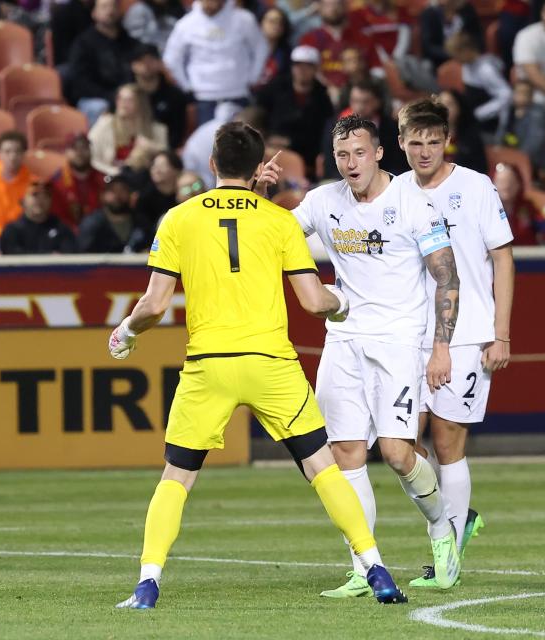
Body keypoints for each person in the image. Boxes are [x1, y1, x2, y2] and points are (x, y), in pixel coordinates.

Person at [108, 121, 406, 609]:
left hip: (209, 366)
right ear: (256, 167)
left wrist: (126, 332)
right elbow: (313, 301)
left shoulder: (179, 219)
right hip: (272, 364)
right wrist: (343, 304)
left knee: (177, 476)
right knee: (324, 469)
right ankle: (377, 570)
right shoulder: (279, 221)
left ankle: (147, 582)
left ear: (211, 164)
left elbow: (154, 304)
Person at [261, 114, 462, 597]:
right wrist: (261, 199)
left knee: (396, 453)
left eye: (359, 153)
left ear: (378, 154)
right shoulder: (322, 201)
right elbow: (270, 239)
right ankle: (363, 566)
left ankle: (442, 528)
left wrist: (440, 348)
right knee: (345, 454)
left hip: (398, 341)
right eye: (341, 155)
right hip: (344, 338)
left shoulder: (414, 202)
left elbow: (447, 277)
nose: (350, 164)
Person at [395, 97, 515, 587]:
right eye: (414, 142)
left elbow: (502, 259)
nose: (424, 152)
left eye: (432, 141)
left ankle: (449, 554)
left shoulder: (476, 186)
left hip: (465, 336)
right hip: (407, 334)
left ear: (447, 140)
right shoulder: (395, 190)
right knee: (400, 445)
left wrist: (500, 333)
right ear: (399, 143)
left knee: (447, 443)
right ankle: (454, 519)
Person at [162, 0, 269, 126]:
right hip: (204, 97)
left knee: (241, 142)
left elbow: (261, 48)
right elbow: (171, 58)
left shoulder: (243, 19)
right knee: (208, 143)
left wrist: (253, 77)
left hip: (238, 93)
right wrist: (186, 85)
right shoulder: (186, 24)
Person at [255, 45, 335, 179]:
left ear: (316, 69)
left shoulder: (322, 97)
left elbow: (320, 134)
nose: (302, 70)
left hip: (306, 156)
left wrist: (290, 142)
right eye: (297, 65)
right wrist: (265, 137)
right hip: (270, 147)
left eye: (308, 66)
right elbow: (258, 112)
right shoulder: (276, 87)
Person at [68, 0, 139, 126]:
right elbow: (81, 82)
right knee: (101, 107)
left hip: (126, 95)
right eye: (104, 7)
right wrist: (112, 97)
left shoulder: (130, 42)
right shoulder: (83, 43)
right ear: (94, 13)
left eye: (113, 6)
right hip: (94, 98)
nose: (110, 11)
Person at [298, 0, 381, 92]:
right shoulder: (309, 39)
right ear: (319, 8)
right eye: (328, 5)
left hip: (361, 93)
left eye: (337, 4)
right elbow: (304, 71)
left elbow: (376, 69)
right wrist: (327, 87)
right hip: (321, 94)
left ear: (345, 6)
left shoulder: (363, 38)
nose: (333, 8)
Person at [88, 84, 169, 177]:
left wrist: (152, 148)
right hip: (111, 179)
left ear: (141, 104)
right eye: (120, 99)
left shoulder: (158, 129)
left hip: (145, 179)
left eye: (129, 100)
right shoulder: (105, 124)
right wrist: (115, 172)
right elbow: (91, 156)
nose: (123, 103)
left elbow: (168, 161)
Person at [444, 32, 512, 134]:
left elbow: (507, 95)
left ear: (466, 51)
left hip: (488, 123)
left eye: (456, 56)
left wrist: (480, 113)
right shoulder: (467, 66)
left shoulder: (486, 70)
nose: (455, 60)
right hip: (473, 119)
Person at [494, 162, 545, 245]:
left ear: (519, 184)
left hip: (526, 256)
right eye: (501, 182)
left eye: (510, 181)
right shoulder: (486, 210)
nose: (506, 186)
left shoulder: (528, 207)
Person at [130, 44, 189, 149]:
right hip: (130, 146)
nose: (146, 65)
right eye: (141, 61)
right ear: (133, 65)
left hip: (163, 148)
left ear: (160, 63)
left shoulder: (174, 95)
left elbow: (177, 132)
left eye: (151, 60)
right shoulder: (126, 93)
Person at [77, 174, 152, 253]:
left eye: (122, 190)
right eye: (112, 191)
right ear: (102, 196)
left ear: (130, 194)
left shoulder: (142, 223)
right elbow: (82, 257)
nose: (117, 195)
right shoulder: (91, 224)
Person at [0, 180, 77, 254]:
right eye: (35, 194)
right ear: (23, 200)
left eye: (46, 195)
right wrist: (49, 256)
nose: (40, 199)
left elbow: (69, 255)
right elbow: (13, 256)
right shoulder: (13, 230)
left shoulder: (61, 229)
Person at [49, 133, 107, 231]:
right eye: (74, 148)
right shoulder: (57, 182)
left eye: (84, 147)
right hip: (67, 235)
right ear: (65, 152)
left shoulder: (103, 179)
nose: (80, 152)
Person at [494, 78, 545, 167]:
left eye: (525, 93)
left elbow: (533, 144)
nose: (521, 96)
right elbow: (501, 132)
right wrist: (498, 149)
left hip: (528, 160)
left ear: (531, 96)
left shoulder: (537, 114)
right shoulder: (509, 109)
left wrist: (516, 158)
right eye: (518, 92)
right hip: (508, 152)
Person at [419, 0, 483, 71]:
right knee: (426, 66)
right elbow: (428, 46)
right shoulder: (429, 13)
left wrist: (471, 53)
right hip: (440, 59)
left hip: (468, 56)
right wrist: (452, 55)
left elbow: (477, 37)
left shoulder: (467, 9)